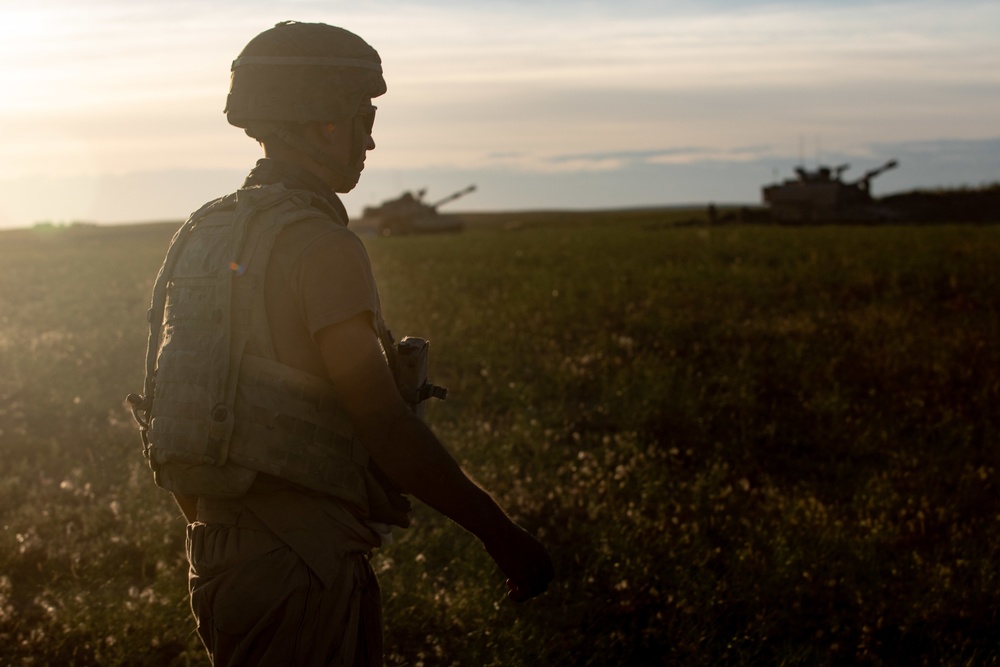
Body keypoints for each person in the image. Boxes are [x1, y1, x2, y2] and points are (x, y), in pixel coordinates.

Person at [127, 20, 553, 666]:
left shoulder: (204, 235)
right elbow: (383, 423)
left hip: (218, 558)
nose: (370, 139)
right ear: (323, 122)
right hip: (303, 569)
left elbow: (183, 416)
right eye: (362, 116)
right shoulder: (322, 246)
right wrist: (502, 535)